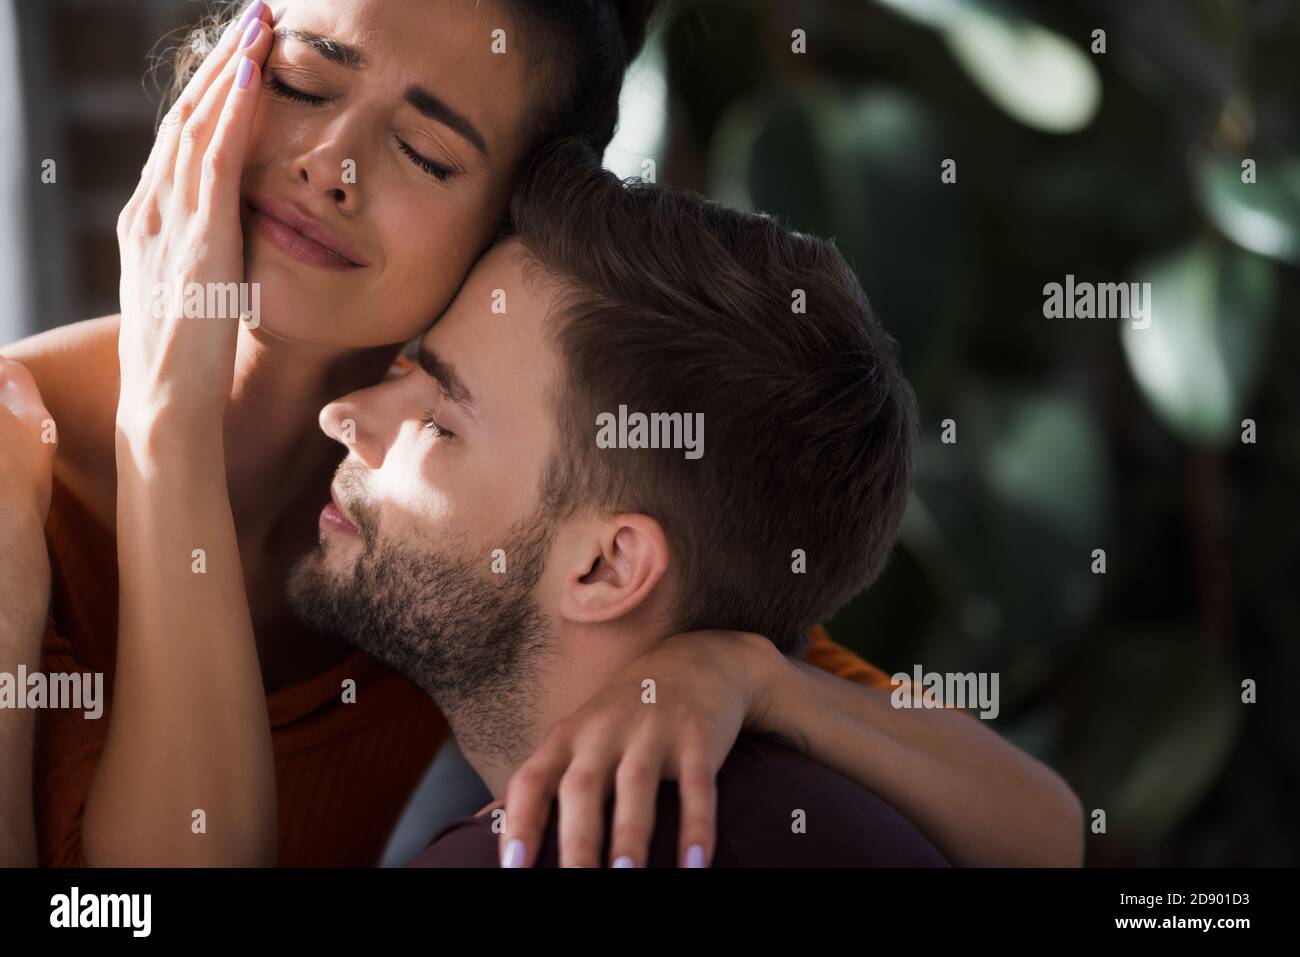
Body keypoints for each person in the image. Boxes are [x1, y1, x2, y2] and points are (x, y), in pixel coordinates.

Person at [0, 0, 1083, 868]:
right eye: (299, 80)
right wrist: (164, 424)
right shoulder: (14, 464)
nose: (330, 161)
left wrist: (754, 679)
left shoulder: (483, 520)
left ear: (510, 228)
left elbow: (1041, 833)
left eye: (425, 151)